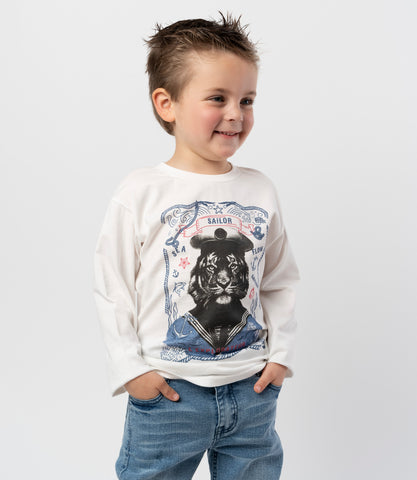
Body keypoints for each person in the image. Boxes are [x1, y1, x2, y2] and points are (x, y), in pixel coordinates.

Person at [93, 12, 301, 480]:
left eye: (247, 100)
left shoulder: (260, 190)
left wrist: (281, 357)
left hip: (251, 390)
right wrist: (131, 371)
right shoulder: (139, 192)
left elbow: (279, 280)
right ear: (166, 103)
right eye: (217, 98)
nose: (236, 114)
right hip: (169, 394)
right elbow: (112, 288)